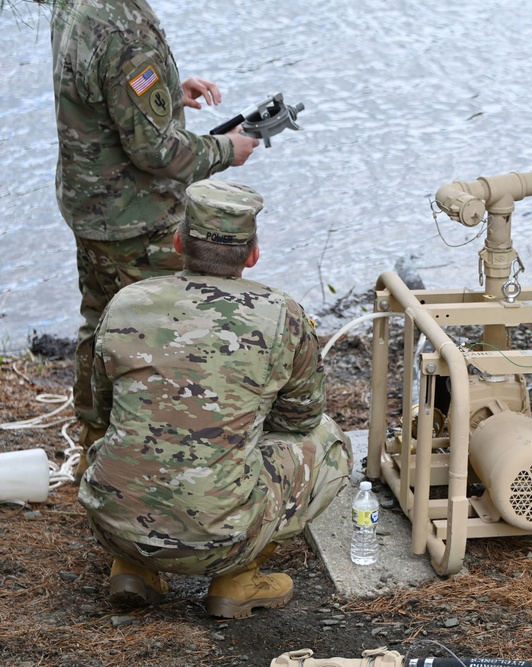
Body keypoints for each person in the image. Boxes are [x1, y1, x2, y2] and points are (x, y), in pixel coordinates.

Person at [78, 179, 351, 619]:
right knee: (330, 442)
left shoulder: (127, 303)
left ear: (178, 242)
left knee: (129, 434)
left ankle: (133, 564)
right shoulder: (282, 314)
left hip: (114, 524)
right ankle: (238, 577)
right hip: (221, 540)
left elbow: (102, 408)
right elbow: (302, 418)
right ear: (253, 254)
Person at [50, 0, 260, 469]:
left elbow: (98, 90)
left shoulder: (75, 7)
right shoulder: (128, 32)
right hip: (134, 219)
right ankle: (162, 467)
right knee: (171, 338)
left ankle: (95, 447)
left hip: (89, 204)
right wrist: (228, 148)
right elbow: (156, 150)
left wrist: (165, 91)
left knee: (100, 324)